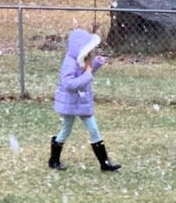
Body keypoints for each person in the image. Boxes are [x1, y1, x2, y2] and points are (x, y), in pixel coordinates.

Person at [48, 28, 121, 172]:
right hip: (70, 102)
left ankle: (104, 163)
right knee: (66, 130)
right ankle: (54, 159)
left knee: (94, 130)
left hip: (81, 102)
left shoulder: (82, 58)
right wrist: (88, 74)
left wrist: (96, 65)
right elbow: (69, 84)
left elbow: (85, 74)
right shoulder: (69, 63)